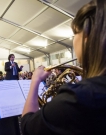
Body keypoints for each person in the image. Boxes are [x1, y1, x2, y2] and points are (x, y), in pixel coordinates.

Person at [21, 0, 106, 134]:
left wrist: (35, 81)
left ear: (86, 37)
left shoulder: (80, 96)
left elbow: (28, 126)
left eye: (75, 34)